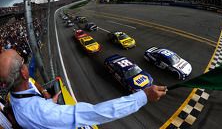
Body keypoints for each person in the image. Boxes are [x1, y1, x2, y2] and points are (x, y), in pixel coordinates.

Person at [0, 49, 167, 128]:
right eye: (23, 61)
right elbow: (96, 113)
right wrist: (143, 96)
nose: (25, 62)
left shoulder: (15, 95)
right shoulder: (42, 112)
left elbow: (33, 94)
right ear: (23, 72)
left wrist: (49, 100)